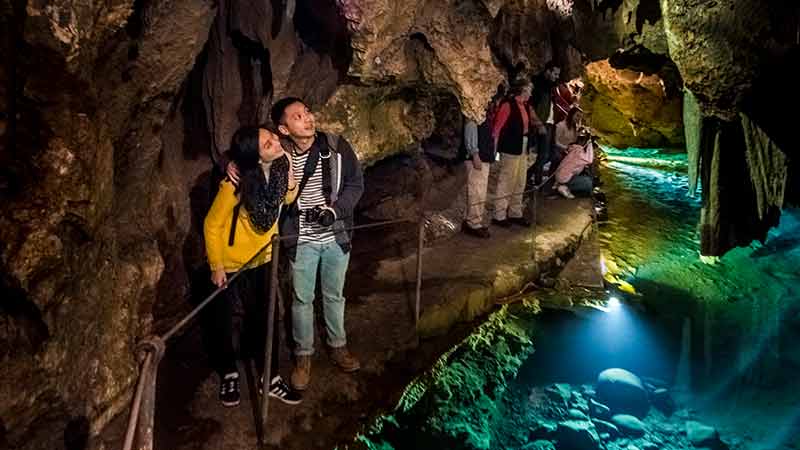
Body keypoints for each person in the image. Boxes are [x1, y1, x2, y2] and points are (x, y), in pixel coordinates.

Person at [203, 125, 302, 408]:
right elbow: (212, 224)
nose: (274, 141)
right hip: (233, 262)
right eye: (266, 143)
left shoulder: (282, 166)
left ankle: (268, 378)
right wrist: (217, 266)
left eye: (271, 136)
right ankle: (229, 372)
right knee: (224, 321)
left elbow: (288, 198)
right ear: (256, 157)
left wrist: (292, 177)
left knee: (267, 317)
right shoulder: (236, 182)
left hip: (264, 256)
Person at [270, 97, 364, 391]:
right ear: (284, 129)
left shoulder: (336, 146)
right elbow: (248, 147)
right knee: (301, 300)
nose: (308, 118)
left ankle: (338, 345)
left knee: (334, 295)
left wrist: (336, 211)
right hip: (301, 240)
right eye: (297, 116)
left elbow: (355, 184)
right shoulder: (278, 153)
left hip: (335, 236)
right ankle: (303, 356)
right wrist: (230, 162)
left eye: (307, 112)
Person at [491, 80, 546, 227]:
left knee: (520, 180)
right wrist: (494, 150)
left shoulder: (526, 106)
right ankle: (499, 214)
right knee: (507, 179)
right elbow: (497, 127)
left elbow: (531, 123)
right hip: (510, 147)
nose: (531, 93)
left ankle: (515, 212)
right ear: (522, 90)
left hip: (523, 145)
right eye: (529, 90)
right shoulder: (508, 105)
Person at [459, 86, 504, 238]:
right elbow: (470, 129)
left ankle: (471, 219)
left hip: (483, 156)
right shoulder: (476, 110)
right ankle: (473, 223)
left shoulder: (483, 111)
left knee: (478, 190)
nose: (496, 104)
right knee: (477, 191)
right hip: (477, 157)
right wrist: (474, 153)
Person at [530, 61, 562, 184]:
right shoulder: (538, 84)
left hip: (549, 124)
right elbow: (531, 106)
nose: (557, 77)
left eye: (558, 74)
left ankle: (530, 176)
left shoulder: (550, 87)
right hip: (542, 124)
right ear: (547, 71)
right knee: (542, 155)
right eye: (555, 73)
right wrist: (538, 124)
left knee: (549, 155)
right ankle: (536, 182)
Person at [553, 128, 595, 199]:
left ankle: (559, 184)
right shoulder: (579, 152)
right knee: (588, 182)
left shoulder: (573, 148)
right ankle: (563, 187)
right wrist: (590, 143)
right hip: (564, 179)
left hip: (559, 177)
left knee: (584, 174)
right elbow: (589, 160)